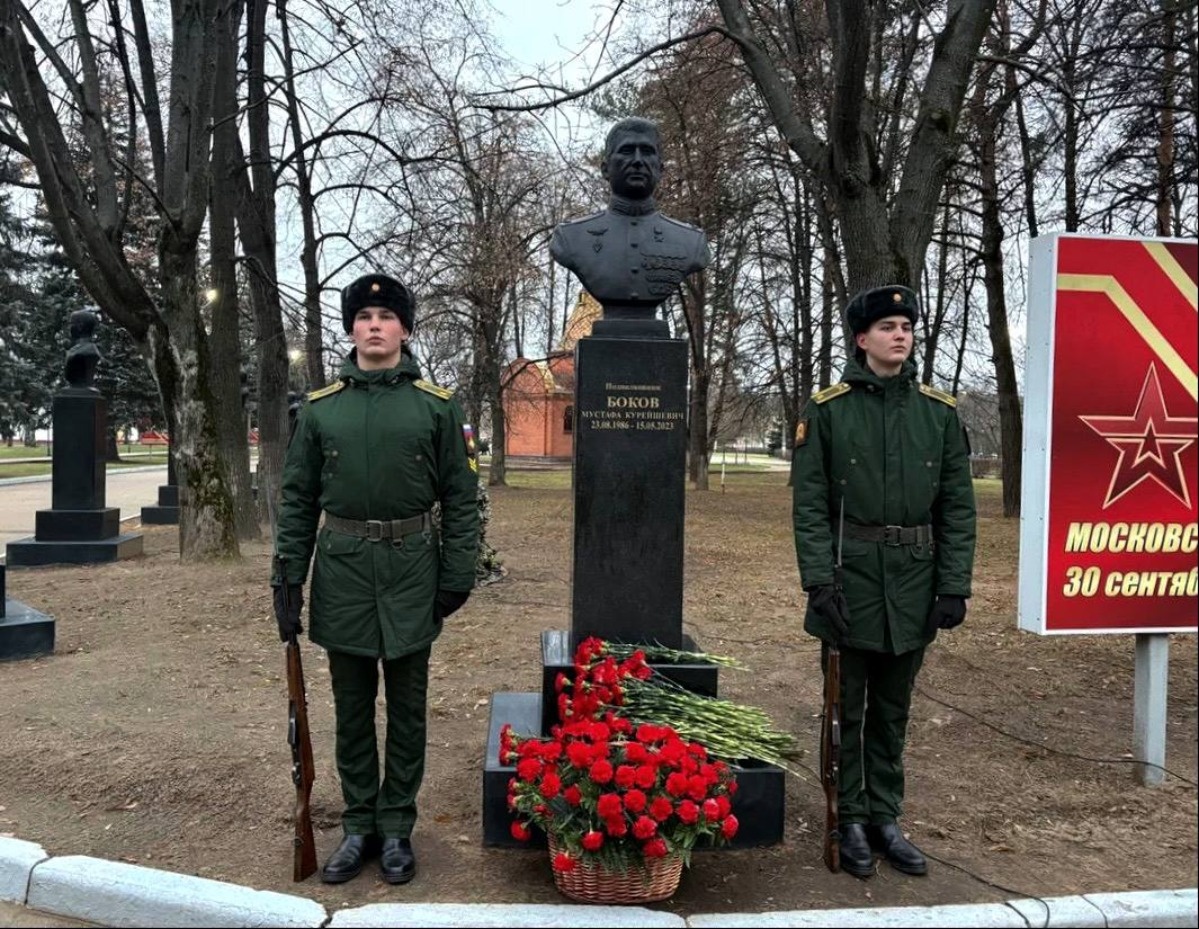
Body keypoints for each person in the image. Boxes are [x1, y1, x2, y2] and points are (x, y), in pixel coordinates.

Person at [271, 273, 480, 885]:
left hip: (412, 570)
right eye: (364, 317)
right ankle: (358, 823)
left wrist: (456, 575)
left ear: (405, 329)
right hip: (343, 571)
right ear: (351, 330)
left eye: (386, 316)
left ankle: (396, 827)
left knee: (408, 707)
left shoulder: (436, 407)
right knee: (352, 706)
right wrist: (288, 578)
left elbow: (461, 498)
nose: (375, 326)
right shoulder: (320, 410)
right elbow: (297, 498)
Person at [791, 285, 976, 878]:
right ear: (862, 339)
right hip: (849, 582)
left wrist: (953, 585)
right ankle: (848, 816)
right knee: (846, 707)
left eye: (907, 326)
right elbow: (810, 507)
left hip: (915, 583)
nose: (901, 335)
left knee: (893, 709)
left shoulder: (937, 413)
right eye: (888, 327)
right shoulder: (828, 410)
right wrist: (819, 584)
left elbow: (958, 507)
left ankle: (884, 816)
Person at [550, 117, 709, 322]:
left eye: (647, 151)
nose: (637, 161)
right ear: (605, 169)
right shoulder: (570, 237)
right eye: (626, 151)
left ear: (660, 169)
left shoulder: (692, 242)